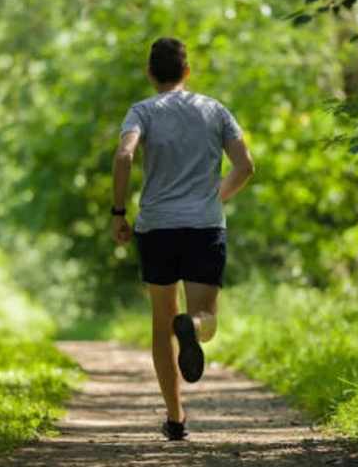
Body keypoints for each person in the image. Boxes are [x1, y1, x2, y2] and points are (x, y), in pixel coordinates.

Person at [110, 37, 255, 441]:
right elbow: (245, 166)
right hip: (204, 225)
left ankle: (175, 418)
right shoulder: (214, 109)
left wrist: (118, 212)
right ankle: (190, 325)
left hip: (156, 227)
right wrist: (216, 196)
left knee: (160, 323)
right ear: (187, 72)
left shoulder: (142, 112)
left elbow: (124, 156)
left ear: (150, 74)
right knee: (205, 317)